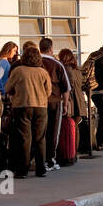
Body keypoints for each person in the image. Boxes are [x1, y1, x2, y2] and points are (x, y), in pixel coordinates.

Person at [6, 41, 51, 176]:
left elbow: (8, 88)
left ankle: (23, 169)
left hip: (22, 106)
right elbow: (48, 91)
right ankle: (41, 168)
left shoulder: (18, 71)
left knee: (24, 138)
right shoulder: (42, 72)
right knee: (40, 138)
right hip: (41, 107)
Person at [40, 37, 70, 171]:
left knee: (40, 132)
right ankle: (50, 160)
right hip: (54, 101)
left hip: (38, 102)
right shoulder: (57, 65)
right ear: (51, 49)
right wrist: (65, 104)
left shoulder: (35, 63)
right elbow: (66, 87)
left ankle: (39, 160)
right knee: (53, 131)